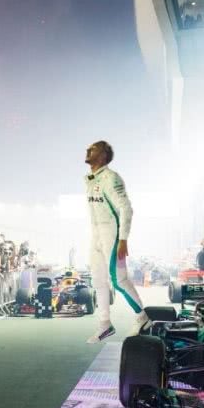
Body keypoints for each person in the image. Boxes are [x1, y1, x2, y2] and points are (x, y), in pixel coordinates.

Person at [83, 140, 146, 342]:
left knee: (118, 280)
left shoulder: (111, 178)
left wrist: (123, 239)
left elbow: (126, 208)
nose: (87, 150)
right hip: (96, 234)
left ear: (102, 156)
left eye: (92, 149)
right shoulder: (91, 179)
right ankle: (105, 324)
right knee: (98, 281)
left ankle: (142, 317)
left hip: (112, 234)